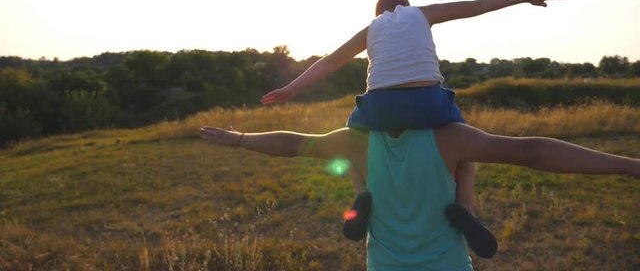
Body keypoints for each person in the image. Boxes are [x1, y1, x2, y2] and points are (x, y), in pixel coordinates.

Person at [260, 0, 569, 255]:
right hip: (428, 103)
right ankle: (465, 206)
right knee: (465, 140)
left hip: (378, 106)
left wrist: (292, 87)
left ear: (378, 12)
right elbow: (477, 6)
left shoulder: (370, 29)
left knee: (352, 142)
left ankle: (361, 194)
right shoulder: (424, 13)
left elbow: (331, 61)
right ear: (406, 7)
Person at [200, 124, 640, 270]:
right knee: (468, 147)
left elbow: (294, 143)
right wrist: (629, 166)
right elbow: (533, 152)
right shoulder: (448, 130)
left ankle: (362, 197)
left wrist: (238, 139)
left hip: (387, 261)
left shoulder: (358, 134)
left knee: (350, 153)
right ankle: (463, 206)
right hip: (446, 261)